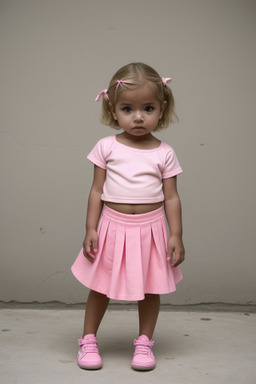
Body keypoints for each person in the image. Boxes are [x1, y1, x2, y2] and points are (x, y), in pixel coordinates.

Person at [71, 62, 185, 371]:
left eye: (147, 108)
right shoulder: (106, 147)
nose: (138, 117)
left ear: (161, 109)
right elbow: (97, 191)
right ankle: (89, 339)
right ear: (113, 109)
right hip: (111, 227)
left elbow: (171, 197)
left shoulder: (164, 152)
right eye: (128, 108)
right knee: (100, 287)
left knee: (150, 289)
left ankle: (145, 342)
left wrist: (176, 234)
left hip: (150, 230)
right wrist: (90, 228)